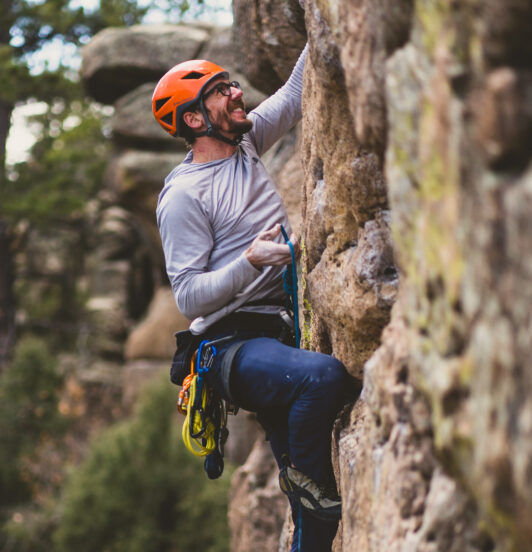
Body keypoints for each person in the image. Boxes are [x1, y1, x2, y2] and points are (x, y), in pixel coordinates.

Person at [152, 45, 358, 551]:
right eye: (220, 92)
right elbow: (188, 296)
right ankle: (305, 480)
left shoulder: (244, 145)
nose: (237, 93)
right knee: (323, 377)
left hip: (275, 334)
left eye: (232, 84)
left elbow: (293, 93)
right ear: (195, 118)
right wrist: (249, 261)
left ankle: (303, 487)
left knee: (319, 528)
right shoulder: (184, 196)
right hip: (229, 346)